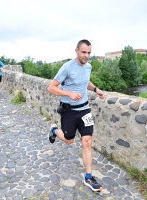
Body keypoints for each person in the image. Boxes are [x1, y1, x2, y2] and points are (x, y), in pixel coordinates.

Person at [47, 39, 105, 192]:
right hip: (69, 111)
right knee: (69, 140)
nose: (86, 56)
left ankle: (88, 177)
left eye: (89, 53)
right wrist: (68, 93)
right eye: (84, 52)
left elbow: (85, 82)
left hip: (85, 109)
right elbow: (51, 88)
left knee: (87, 141)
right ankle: (54, 130)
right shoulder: (67, 68)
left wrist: (96, 89)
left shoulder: (88, 67)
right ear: (77, 51)